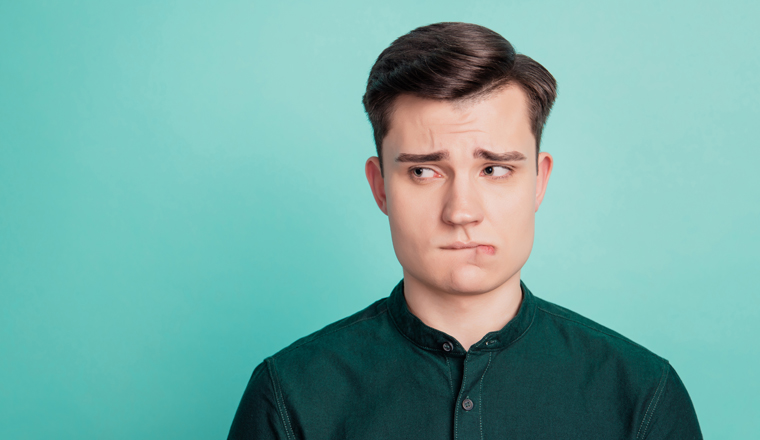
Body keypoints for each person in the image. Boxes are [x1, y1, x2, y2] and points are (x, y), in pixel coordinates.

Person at [228, 22, 702, 439]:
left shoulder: (642, 394)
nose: (461, 212)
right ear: (380, 187)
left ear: (539, 181)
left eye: (495, 169)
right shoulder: (290, 395)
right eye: (423, 172)